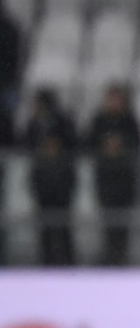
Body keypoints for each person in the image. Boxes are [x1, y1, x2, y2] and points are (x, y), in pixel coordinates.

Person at [86, 82, 140, 265]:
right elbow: (87, 143)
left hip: (125, 180)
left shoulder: (130, 121)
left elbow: (139, 144)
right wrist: (104, 147)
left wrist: (122, 147)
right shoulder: (99, 120)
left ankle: (122, 256)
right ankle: (109, 255)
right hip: (104, 180)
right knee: (106, 220)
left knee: (123, 222)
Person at [22, 88, 78, 266]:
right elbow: (24, 144)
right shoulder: (33, 124)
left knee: (63, 225)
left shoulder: (63, 122)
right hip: (42, 182)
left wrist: (59, 147)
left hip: (62, 183)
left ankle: (67, 262)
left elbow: (75, 143)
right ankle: (45, 262)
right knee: (44, 225)